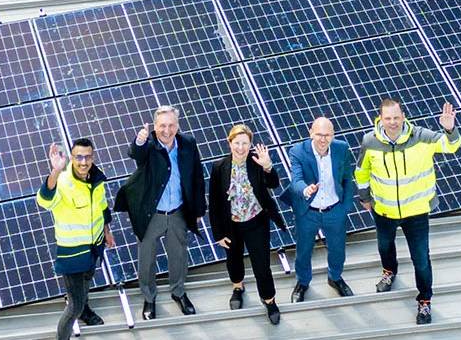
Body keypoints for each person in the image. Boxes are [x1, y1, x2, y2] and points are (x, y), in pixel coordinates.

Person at [353, 97, 460, 327]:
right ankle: (389, 271)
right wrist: (364, 197)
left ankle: (424, 300)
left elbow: (450, 146)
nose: (392, 122)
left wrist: (449, 129)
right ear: (380, 118)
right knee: (384, 246)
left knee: (421, 260)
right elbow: (361, 171)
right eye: (388, 118)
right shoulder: (370, 141)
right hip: (384, 211)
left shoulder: (421, 137)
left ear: (404, 116)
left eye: (396, 117)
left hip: (416, 213)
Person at [123, 105, 207, 319]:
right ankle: (149, 297)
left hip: (178, 211)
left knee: (178, 254)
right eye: (162, 126)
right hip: (153, 214)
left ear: (177, 126)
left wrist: (198, 208)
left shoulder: (188, 143)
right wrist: (140, 140)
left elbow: (197, 175)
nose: (167, 130)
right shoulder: (149, 145)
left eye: (171, 125)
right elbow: (136, 154)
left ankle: (178, 292)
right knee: (147, 257)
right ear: (154, 127)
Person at [207, 123, 287, 324]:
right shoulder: (219, 167)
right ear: (229, 143)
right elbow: (214, 202)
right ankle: (237, 287)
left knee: (262, 265)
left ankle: (269, 300)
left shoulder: (256, 162)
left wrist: (268, 166)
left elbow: (273, 184)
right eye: (237, 143)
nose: (241, 147)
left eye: (245, 143)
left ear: (250, 144)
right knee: (233, 260)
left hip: (256, 222)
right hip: (231, 225)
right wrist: (218, 233)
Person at [36, 139, 115, 340]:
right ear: (72, 158)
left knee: (87, 281)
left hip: (94, 246)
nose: (83, 162)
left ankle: (85, 310)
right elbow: (44, 200)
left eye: (87, 157)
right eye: (78, 157)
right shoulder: (62, 181)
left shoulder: (97, 179)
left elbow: (102, 206)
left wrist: (106, 231)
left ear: (92, 157)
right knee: (74, 306)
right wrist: (55, 171)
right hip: (72, 253)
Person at [283, 114, 358, 302]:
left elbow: (348, 178)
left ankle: (335, 278)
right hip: (308, 211)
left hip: (334, 210)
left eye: (328, 135)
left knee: (338, 249)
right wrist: (306, 190)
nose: (323, 139)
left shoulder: (341, 149)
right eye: (319, 134)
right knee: (304, 250)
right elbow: (296, 180)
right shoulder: (298, 152)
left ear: (333, 135)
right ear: (311, 133)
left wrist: (345, 207)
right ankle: (303, 282)